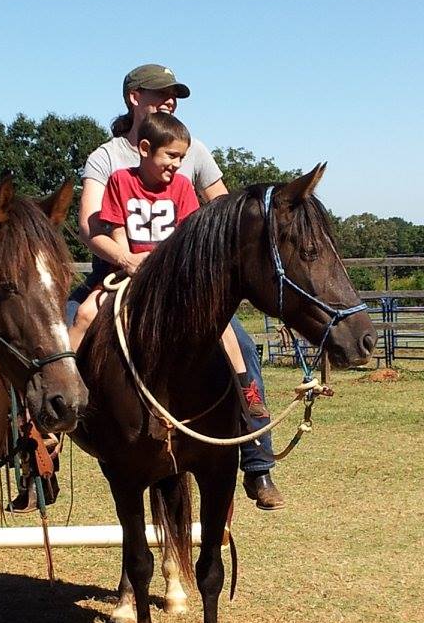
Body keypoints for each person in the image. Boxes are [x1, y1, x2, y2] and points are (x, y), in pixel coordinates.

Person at [73, 64, 284, 510]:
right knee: (68, 324)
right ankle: (52, 429)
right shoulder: (108, 159)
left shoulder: (192, 154)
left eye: (174, 95)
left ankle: (256, 457)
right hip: (122, 269)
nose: (169, 100)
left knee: (239, 345)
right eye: (160, 93)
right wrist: (128, 260)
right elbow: (90, 225)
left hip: (183, 283)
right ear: (134, 98)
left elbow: (221, 214)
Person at [69, 112, 267, 417]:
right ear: (145, 149)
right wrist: (129, 262)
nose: (176, 164)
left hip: (173, 277)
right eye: (171, 155)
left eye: (182, 157)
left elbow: (189, 237)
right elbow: (117, 231)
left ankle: (246, 390)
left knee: (222, 323)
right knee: (84, 314)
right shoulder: (120, 180)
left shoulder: (183, 187)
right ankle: (67, 389)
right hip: (128, 272)